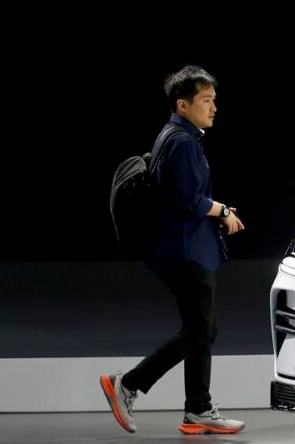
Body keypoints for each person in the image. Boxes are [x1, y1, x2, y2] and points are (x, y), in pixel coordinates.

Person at [101, 66, 246, 436]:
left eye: (214, 100)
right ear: (183, 105)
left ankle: (198, 409)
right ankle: (128, 384)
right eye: (206, 100)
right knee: (199, 331)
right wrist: (222, 211)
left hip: (184, 248)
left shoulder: (177, 135)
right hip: (186, 251)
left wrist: (215, 209)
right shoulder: (182, 142)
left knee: (203, 329)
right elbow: (186, 200)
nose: (214, 107)